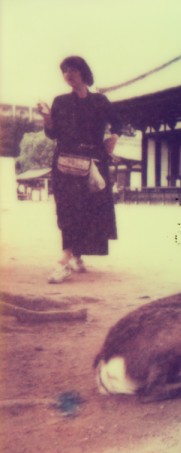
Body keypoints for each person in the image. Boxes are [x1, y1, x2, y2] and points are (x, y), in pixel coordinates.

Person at [38, 56, 122, 283]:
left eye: (72, 70)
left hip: (94, 161)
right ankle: (65, 259)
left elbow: (118, 122)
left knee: (90, 209)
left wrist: (113, 137)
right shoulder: (60, 101)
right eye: (64, 71)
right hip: (65, 162)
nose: (68, 74)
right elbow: (53, 134)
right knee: (67, 208)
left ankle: (77, 254)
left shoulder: (100, 101)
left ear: (83, 72)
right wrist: (47, 118)